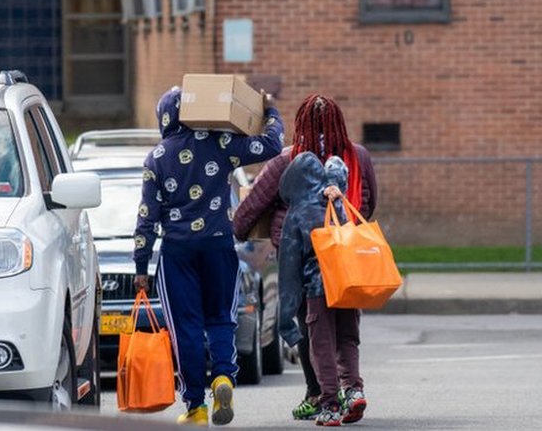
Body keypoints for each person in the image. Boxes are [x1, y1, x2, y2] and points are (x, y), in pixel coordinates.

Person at [133, 86, 284, 426]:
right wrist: (270, 112)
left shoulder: (156, 158)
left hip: (177, 252)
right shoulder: (221, 143)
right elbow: (271, 146)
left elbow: (146, 218)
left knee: (185, 326)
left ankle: (195, 406)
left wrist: (141, 265)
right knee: (220, 317)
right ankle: (223, 378)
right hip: (218, 245)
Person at [233, 94, 377, 422]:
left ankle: (322, 396)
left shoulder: (289, 161)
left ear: (300, 124)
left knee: (313, 329)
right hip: (347, 256)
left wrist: (239, 232)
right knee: (346, 328)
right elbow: (368, 202)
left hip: (302, 260)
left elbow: (251, 207)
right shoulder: (358, 157)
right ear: (340, 122)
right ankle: (352, 389)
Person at [278, 152, 359, 426]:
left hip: (318, 289)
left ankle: (330, 405)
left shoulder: (297, 213)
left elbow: (289, 271)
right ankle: (354, 389)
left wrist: (285, 320)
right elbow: (338, 165)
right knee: (347, 339)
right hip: (347, 284)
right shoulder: (338, 201)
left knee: (321, 346)